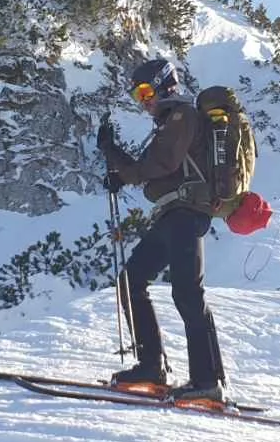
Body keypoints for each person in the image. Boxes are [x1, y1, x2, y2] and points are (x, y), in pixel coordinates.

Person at [96, 56, 226, 403]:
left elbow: (158, 165)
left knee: (187, 294)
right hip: (172, 215)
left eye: (145, 91)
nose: (143, 101)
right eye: (138, 94)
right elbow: (153, 170)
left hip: (186, 214)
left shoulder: (183, 116)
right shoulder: (171, 122)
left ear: (164, 84)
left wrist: (118, 165)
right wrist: (115, 160)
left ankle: (207, 381)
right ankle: (151, 366)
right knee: (131, 281)